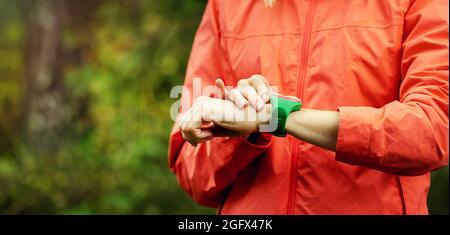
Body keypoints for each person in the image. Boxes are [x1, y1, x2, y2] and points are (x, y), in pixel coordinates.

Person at [168, 0, 449, 214]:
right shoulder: (227, 6)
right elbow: (191, 172)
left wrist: (274, 115)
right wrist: (239, 132)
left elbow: (433, 129)